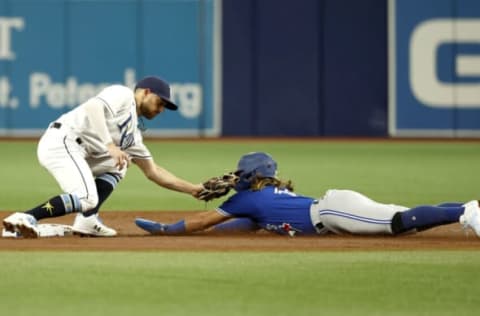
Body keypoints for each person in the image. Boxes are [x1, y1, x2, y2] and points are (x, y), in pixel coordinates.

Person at [3, 76, 204, 238]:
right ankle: (26, 217)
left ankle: (87, 221)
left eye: (164, 107)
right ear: (146, 92)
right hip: (62, 141)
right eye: (160, 102)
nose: (161, 109)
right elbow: (93, 107)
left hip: (77, 151)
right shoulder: (124, 94)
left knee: (122, 163)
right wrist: (109, 146)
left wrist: (194, 189)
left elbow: (153, 171)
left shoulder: (133, 135)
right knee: (87, 197)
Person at [135, 152, 480, 238]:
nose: (234, 178)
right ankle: (469, 208)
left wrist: (167, 229)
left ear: (252, 176)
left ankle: (466, 214)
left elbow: (203, 219)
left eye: (240, 174)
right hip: (335, 209)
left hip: (332, 212)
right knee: (407, 220)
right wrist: (212, 232)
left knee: (400, 222)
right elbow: (244, 227)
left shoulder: (246, 199)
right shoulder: (261, 199)